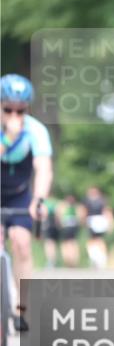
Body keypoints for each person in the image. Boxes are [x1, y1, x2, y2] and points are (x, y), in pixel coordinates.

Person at [0, 74, 53, 332]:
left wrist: (38, 200)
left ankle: (22, 308)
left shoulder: (36, 130)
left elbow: (43, 168)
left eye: (20, 110)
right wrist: (9, 137)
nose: (14, 115)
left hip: (20, 192)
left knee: (21, 243)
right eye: (7, 108)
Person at [83, 185, 114, 269]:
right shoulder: (89, 201)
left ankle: (101, 259)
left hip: (98, 221)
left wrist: (110, 222)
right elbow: (85, 212)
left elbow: (106, 211)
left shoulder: (101, 201)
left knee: (98, 240)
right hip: (92, 220)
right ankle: (95, 258)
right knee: (93, 240)